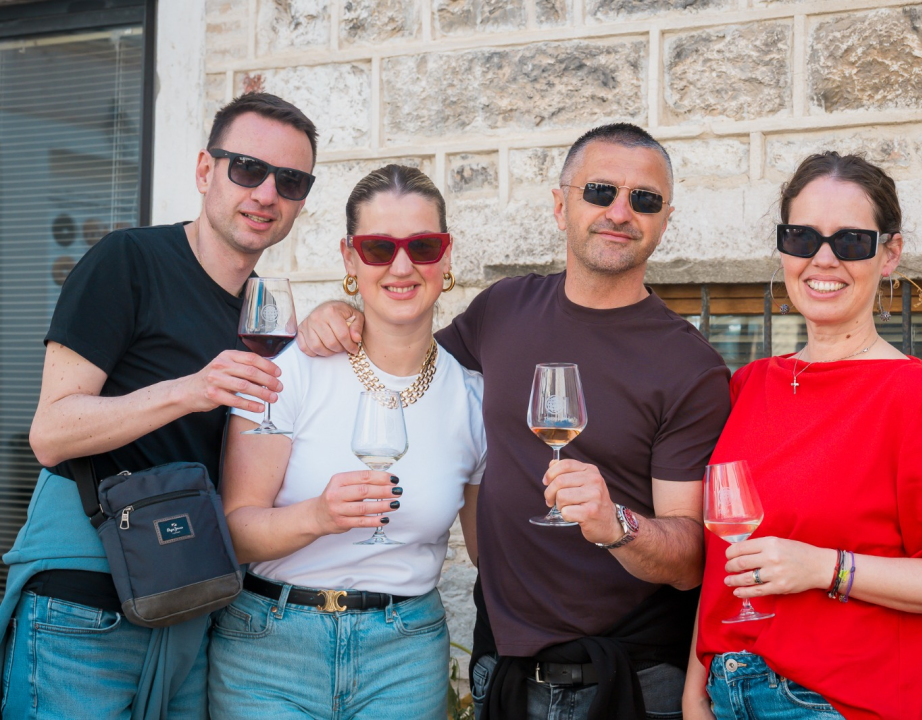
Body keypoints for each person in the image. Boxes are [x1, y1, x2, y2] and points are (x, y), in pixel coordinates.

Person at [298, 123, 731, 719]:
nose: (620, 211)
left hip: (631, 679)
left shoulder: (691, 366)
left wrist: (616, 524)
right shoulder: (503, 309)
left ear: (664, 218)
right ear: (560, 205)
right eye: (600, 191)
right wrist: (340, 310)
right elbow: (404, 356)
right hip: (501, 668)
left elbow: (689, 561)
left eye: (645, 199)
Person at [1, 92, 317, 718]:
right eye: (247, 169)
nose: (266, 193)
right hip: (85, 603)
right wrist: (192, 389)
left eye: (291, 180)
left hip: (188, 605)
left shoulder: (265, 311)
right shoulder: (129, 262)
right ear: (205, 171)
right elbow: (51, 431)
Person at [683, 152, 922, 720]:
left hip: (832, 705)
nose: (823, 259)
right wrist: (697, 682)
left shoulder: (917, 398)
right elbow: (722, 561)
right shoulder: (750, 385)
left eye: (852, 241)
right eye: (802, 237)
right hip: (722, 694)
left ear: (890, 255)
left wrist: (825, 568)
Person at [208, 164, 485, 719]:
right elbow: (233, 533)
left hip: (404, 656)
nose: (402, 266)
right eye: (379, 247)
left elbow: (488, 553)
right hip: (270, 650)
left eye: (423, 246)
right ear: (350, 259)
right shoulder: (288, 374)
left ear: (447, 257)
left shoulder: (472, 397)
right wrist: (318, 516)